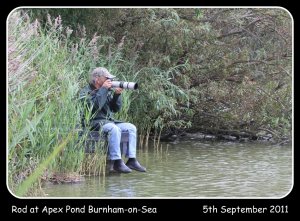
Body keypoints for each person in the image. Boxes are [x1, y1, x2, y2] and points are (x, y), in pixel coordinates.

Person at [79, 67, 146, 173]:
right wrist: (103, 90)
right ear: (97, 79)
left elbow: (115, 109)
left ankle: (132, 160)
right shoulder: (85, 92)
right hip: (93, 122)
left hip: (107, 121)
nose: (109, 81)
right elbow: (96, 106)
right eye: (107, 78)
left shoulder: (106, 91)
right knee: (113, 128)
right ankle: (117, 162)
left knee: (131, 128)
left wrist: (116, 95)